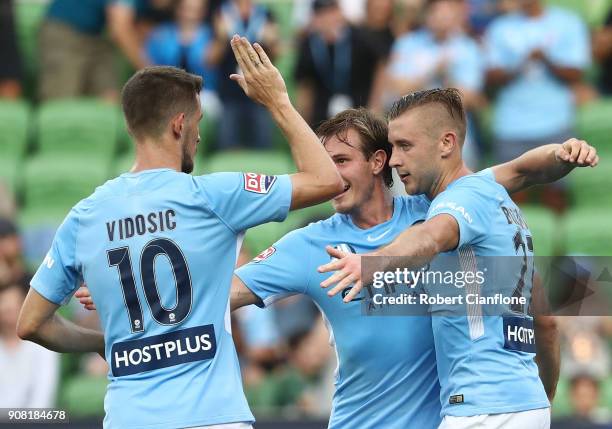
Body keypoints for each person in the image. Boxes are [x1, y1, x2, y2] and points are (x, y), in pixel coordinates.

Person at [75, 106, 596, 426]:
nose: (328, 177)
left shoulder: (432, 210)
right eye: (322, 165)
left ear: (378, 162)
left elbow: (515, 175)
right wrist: (140, 295)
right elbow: (224, 292)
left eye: (340, 162)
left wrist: (562, 151)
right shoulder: (310, 244)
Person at [17, 37, 343, 429]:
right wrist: (277, 101)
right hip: (212, 418)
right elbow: (327, 180)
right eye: (199, 123)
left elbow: (31, 324)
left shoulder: (84, 217)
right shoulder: (213, 196)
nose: (200, 136)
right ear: (179, 124)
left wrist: (107, 344)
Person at [319, 89, 598, 428]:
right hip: (527, 405)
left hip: (480, 409)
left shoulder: (460, 201)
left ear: (446, 144)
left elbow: (430, 236)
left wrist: (368, 263)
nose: (393, 160)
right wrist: (562, 151)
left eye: (406, 146)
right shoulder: (495, 199)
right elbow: (547, 326)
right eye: (393, 148)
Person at [484, 0, 590, 208]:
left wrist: (546, 59)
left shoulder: (568, 22)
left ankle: (559, 241)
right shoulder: (500, 27)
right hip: (512, 124)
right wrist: (520, 62)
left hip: (555, 121)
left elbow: (576, 72)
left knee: (556, 195)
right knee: (511, 201)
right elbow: (490, 77)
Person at [379, 0, 484, 167]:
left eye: (447, 12)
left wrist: (446, 75)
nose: (442, 17)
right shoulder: (407, 44)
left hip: (457, 140)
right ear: (427, 15)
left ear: (456, 15)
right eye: (437, 12)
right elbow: (396, 91)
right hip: (411, 138)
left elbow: (470, 98)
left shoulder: (468, 47)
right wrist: (431, 71)